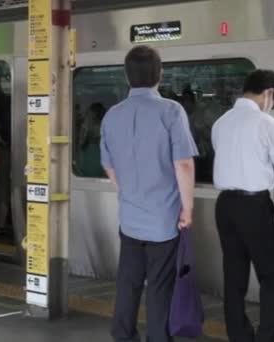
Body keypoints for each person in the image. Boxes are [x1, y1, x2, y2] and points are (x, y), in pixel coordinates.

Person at [101, 45, 198, 342]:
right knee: (158, 286)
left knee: (127, 283)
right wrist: (187, 208)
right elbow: (183, 163)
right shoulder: (171, 110)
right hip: (163, 221)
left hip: (130, 218)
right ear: (160, 74)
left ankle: (124, 335)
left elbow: (110, 168)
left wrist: (129, 192)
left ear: (127, 76)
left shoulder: (112, 116)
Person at [212, 69, 274, 342]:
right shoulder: (264, 122)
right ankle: (268, 338)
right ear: (269, 93)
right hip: (254, 207)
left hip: (224, 207)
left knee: (234, 278)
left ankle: (240, 337)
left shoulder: (220, 122)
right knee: (273, 276)